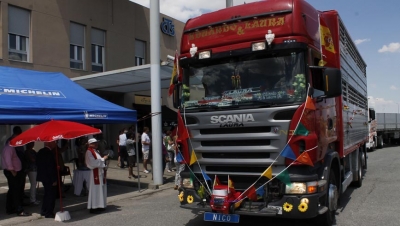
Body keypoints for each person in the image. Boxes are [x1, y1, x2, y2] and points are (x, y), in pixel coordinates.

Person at [1, 126, 30, 216]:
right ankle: (19, 209)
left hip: (15, 171)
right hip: (12, 172)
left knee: (13, 190)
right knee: (15, 191)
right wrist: (13, 171)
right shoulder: (9, 147)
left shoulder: (11, 146)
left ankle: (11, 208)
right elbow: (8, 160)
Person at [85, 138, 109, 214]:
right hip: (94, 174)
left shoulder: (96, 151)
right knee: (95, 189)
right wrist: (103, 159)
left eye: (96, 143)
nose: (96, 144)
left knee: (100, 189)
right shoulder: (89, 152)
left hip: (100, 172)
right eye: (94, 143)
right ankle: (94, 207)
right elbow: (92, 163)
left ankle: (100, 205)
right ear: (90, 144)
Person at [36, 141, 58, 218]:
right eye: (54, 142)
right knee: (50, 195)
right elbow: (50, 168)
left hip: (43, 176)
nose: (55, 144)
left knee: (47, 194)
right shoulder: (49, 153)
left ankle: (44, 210)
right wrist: (54, 179)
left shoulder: (40, 151)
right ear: (50, 143)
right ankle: (49, 212)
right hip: (49, 177)